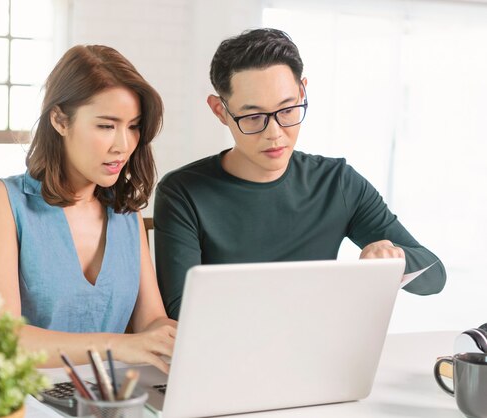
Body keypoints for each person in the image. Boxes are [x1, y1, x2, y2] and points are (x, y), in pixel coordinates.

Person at [154, 28, 446, 320]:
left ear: (302, 92)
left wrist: (396, 258)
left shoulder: (338, 183)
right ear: (220, 110)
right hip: (228, 355)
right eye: (253, 117)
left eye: (287, 110)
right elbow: (181, 311)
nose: (275, 133)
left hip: (319, 351)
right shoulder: (183, 193)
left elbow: (435, 277)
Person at [0, 45, 176, 373]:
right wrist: (120, 347)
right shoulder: (2, 200)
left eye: (133, 126)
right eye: (106, 126)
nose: (123, 145)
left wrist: (177, 337)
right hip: (27, 396)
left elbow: (150, 320)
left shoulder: (126, 211)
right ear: (60, 120)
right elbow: (4, 339)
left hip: (109, 394)